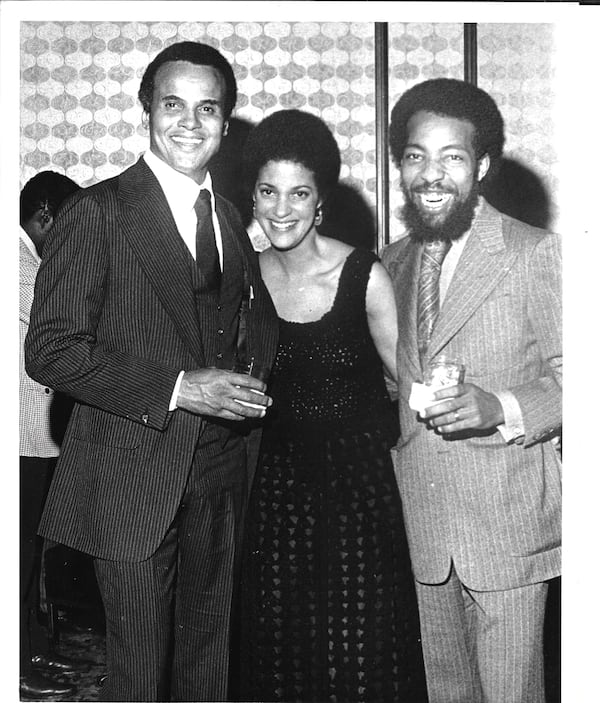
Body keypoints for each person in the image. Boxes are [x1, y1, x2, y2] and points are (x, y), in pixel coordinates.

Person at [25, 41, 278, 702]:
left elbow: (244, 328)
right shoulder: (98, 212)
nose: (190, 123)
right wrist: (178, 387)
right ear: (147, 111)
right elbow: (51, 348)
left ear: (226, 123)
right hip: (134, 478)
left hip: (221, 472)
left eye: (208, 109)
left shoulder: (227, 219)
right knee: (139, 672)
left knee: (209, 661)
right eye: (174, 105)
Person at [237, 109, 427, 703]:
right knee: (281, 644)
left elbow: (408, 382)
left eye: (299, 193)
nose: (282, 209)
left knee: (361, 647)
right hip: (277, 490)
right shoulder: (245, 278)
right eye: (268, 192)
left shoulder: (362, 274)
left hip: (361, 492)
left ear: (320, 202)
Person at [382, 77, 562, 703]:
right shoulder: (392, 262)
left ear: (481, 165)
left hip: (506, 527)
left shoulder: (534, 252)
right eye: (415, 156)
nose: (432, 174)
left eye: (452, 157)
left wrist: (501, 407)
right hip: (423, 526)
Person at [20, 171, 81, 699]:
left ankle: (31, 650)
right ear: (44, 215)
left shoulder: (32, 261)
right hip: (17, 443)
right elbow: (55, 324)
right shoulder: (15, 262)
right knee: (17, 555)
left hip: (35, 441)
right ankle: (17, 665)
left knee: (33, 553)